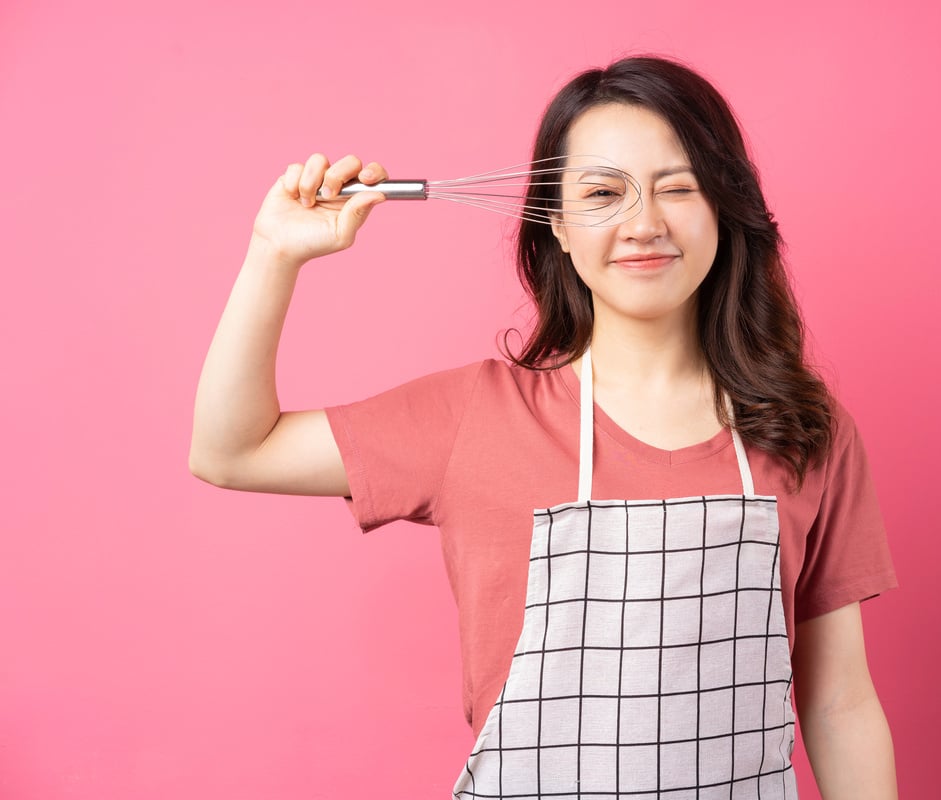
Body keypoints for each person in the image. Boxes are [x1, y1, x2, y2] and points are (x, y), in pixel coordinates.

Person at [190, 55, 899, 799]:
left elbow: (840, 702)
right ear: (555, 225)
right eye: (602, 193)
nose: (643, 224)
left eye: (678, 188)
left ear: (725, 206)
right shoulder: (476, 417)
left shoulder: (804, 431)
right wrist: (274, 254)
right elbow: (231, 451)